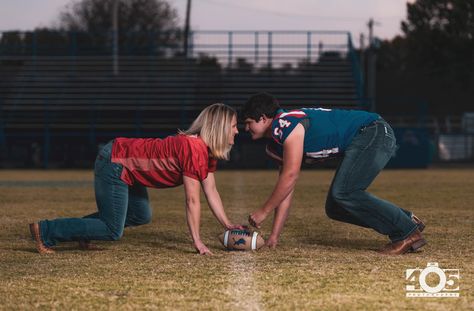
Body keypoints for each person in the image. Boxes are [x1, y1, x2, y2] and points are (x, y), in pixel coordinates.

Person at [29, 103, 244, 255]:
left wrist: (228, 224)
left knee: (140, 214)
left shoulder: (206, 152)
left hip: (129, 168)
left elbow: (211, 190)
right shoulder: (193, 148)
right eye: (233, 126)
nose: (237, 131)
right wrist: (197, 241)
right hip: (116, 161)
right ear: (220, 126)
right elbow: (192, 200)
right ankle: (46, 230)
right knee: (113, 230)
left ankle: (85, 232)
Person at [242, 93, 427, 255]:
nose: (246, 128)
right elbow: (286, 188)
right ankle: (405, 219)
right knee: (335, 207)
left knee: (345, 192)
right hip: (369, 135)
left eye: (249, 122)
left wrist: (263, 211)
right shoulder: (276, 144)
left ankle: (406, 232)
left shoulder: (283, 123)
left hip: (372, 131)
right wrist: (274, 236)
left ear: (264, 118)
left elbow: (291, 175)